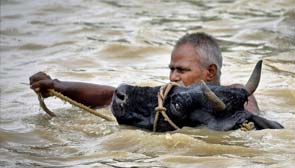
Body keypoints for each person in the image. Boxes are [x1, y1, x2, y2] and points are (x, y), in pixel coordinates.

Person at [30, 32, 259, 114]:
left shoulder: (236, 93)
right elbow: (113, 97)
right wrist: (58, 87)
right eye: (171, 70)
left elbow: (251, 121)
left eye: (181, 70)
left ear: (210, 72)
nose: (172, 77)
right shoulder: (166, 99)